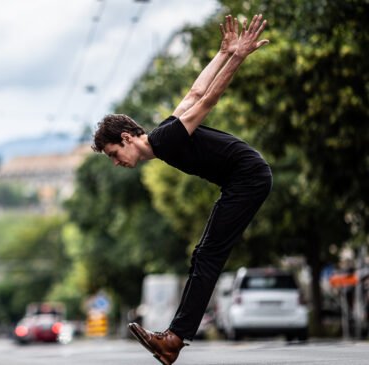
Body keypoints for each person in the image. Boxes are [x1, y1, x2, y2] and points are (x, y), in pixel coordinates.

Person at [91, 14, 271, 365]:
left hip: (248, 177)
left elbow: (207, 102)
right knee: (204, 255)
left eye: (115, 154)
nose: (117, 162)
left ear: (127, 138)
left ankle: (173, 339)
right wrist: (222, 53)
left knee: (206, 257)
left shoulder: (166, 139)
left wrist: (238, 57)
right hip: (244, 178)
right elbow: (195, 92)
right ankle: (174, 337)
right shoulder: (162, 138)